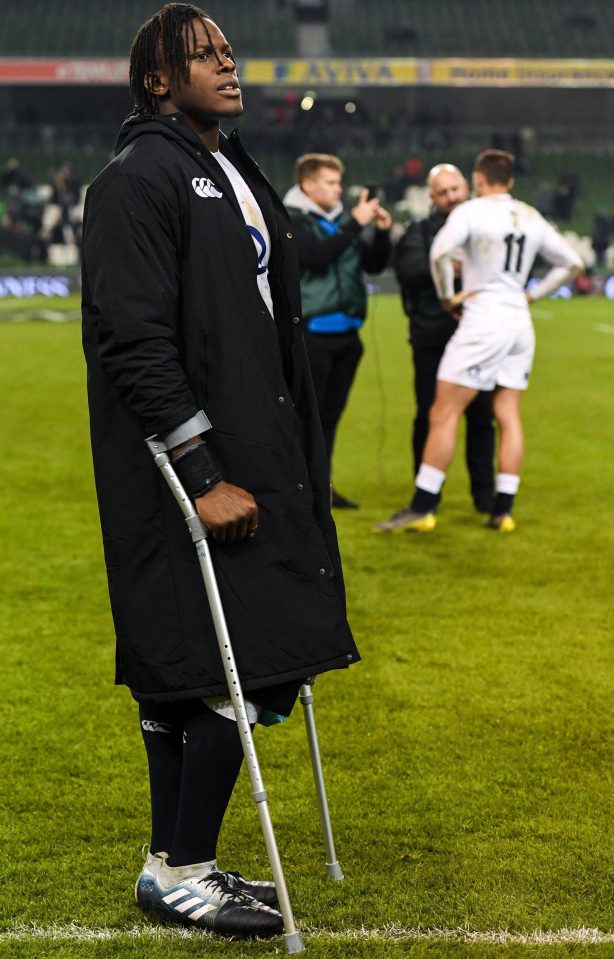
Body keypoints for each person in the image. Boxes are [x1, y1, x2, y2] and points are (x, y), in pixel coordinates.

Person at [81, 3, 359, 939]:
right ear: (158, 80)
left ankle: (172, 865)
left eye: (231, 52)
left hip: (258, 447)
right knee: (240, 660)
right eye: (204, 55)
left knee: (196, 662)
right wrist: (201, 467)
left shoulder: (232, 168)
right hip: (193, 462)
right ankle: (186, 862)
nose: (229, 66)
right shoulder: (138, 178)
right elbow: (133, 336)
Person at [375, 149, 582, 534]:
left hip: (483, 318)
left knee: (443, 412)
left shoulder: (470, 213)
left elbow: (438, 253)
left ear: (479, 180)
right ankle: (503, 509)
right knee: (508, 414)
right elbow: (573, 263)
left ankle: (423, 506)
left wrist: (447, 296)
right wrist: (531, 296)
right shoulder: (530, 215)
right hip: (519, 321)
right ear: (511, 180)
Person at [284, 153, 391, 509]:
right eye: (330, 182)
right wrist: (353, 226)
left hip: (347, 334)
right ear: (307, 184)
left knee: (329, 417)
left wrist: (381, 234)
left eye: (338, 182)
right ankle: (298, 491)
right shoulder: (290, 219)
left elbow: (373, 264)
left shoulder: (344, 220)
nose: (338, 189)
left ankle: (321, 488)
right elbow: (314, 257)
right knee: (306, 419)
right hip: (311, 334)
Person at [391, 163, 495, 515]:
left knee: (482, 418)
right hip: (433, 336)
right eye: (443, 192)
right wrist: (445, 267)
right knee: (428, 415)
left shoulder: (485, 226)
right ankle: (426, 498)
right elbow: (406, 273)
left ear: (466, 187)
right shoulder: (419, 232)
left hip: (479, 335)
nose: (451, 197)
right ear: (431, 197)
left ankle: (485, 497)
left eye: (455, 189)